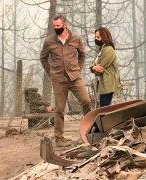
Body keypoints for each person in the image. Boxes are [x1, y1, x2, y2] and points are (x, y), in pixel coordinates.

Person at [40, 14, 91, 147]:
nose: (56, 28)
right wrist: (50, 72)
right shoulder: (49, 41)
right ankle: (59, 139)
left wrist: (78, 68)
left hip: (74, 77)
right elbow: (43, 58)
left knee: (86, 101)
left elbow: (82, 55)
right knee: (59, 109)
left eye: (58, 26)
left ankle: (91, 132)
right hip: (58, 79)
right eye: (54, 26)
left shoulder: (76, 38)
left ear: (65, 25)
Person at [90, 27, 121, 107]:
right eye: (95, 37)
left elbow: (100, 68)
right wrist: (93, 67)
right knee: (103, 108)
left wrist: (94, 68)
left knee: (104, 109)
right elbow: (94, 64)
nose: (96, 39)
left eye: (98, 37)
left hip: (108, 84)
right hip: (104, 83)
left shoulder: (109, 50)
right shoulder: (102, 49)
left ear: (104, 38)